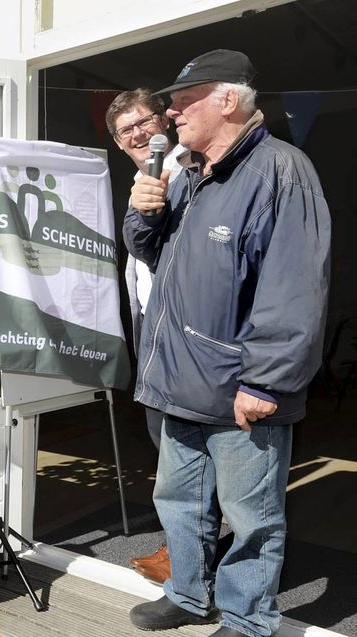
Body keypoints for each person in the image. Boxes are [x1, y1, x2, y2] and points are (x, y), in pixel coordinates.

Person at [124, 50, 330, 637]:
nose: (171, 111)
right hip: (179, 382)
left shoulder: (281, 171)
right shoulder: (187, 174)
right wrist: (144, 214)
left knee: (251, 517)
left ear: (229, 101)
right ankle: (188, 595)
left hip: (240, 386)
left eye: (185, 100)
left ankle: (245, 620)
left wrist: (265, 380)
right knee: (179, 501)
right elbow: (156, 258)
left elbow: (294, 286)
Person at [105, 88, 186, 584]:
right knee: (167, 444)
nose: (137, 134)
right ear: (117, 142)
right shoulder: (143, 177)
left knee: (182, 450)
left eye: (143, 122)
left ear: (164, 121)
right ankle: (184, 546)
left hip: (181, 332)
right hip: (152, 332)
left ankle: (188, 555)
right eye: (125, 129)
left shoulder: (186, 170)